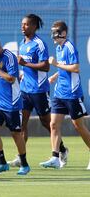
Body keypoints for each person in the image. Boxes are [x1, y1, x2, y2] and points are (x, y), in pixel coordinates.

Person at [8, 14, 69, 168]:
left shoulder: (39, 44)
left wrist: (26, 64)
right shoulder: (22, 43)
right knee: (22, 123)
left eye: (26, 24)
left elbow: (46, 66)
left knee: (46, 122)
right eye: (22, 24)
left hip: (39, 90)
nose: (23, 27)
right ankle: (20, 157)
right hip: (25, 90)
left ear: (34, 26)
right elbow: (24, 67)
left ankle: (61, 149)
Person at [39, 21, 90, 170]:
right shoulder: (59, 48)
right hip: (59, 93)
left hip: (73, 94)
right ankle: (55, 157)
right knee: (53, 124)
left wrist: (56, 65)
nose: (54, 36)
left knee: (78, 126)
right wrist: (56, 75)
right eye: (53, 33)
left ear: (64, 33)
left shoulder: (69, 47)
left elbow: (75, 68)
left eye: (56, 33)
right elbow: (64, 66)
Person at [0, 37, 30, 175]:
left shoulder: (9, 57)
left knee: (16, 134)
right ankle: (2, 163)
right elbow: (2, 77)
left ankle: (24, 164)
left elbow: (11, 79)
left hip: (12, 103)